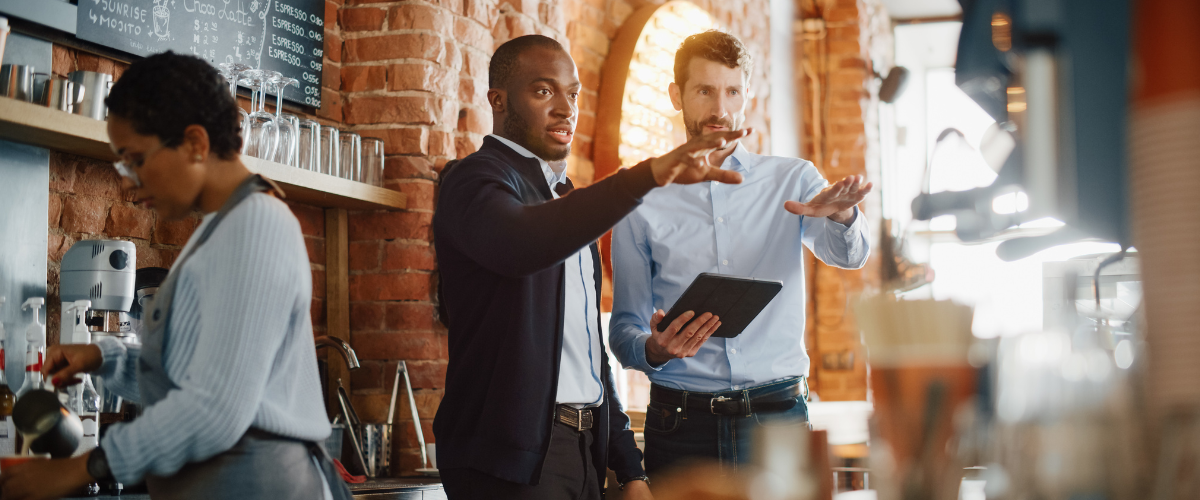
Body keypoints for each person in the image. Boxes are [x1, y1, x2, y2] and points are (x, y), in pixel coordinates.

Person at [0, 52, 350, 500]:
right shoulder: (220, 230)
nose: (126, 182)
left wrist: (83, 468)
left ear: (195, 143)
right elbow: (191, 373)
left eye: (134, 160)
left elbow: (214, 408)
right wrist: (105, 358)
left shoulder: (257, 225)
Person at [432, 35, 748, 500]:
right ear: (497, 101)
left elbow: (586, 356)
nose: (565, 108)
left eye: (573, 94)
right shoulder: (474, 181)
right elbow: (522, 242)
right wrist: (648, 175)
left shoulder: (563, 199)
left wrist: (628, 466)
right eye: (544, 91)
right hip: (510, 464)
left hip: (582, 453)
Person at [608, 30, 873, 475]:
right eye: (705, 91)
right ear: (677, 95)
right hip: (681, 426)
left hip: (777, 420)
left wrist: (842, 218)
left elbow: (851, 256)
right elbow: (623, 331)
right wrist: (653, 349)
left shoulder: (793, 179)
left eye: (732, 91)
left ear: (746, 94)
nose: (720, 109)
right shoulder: (642, 196)